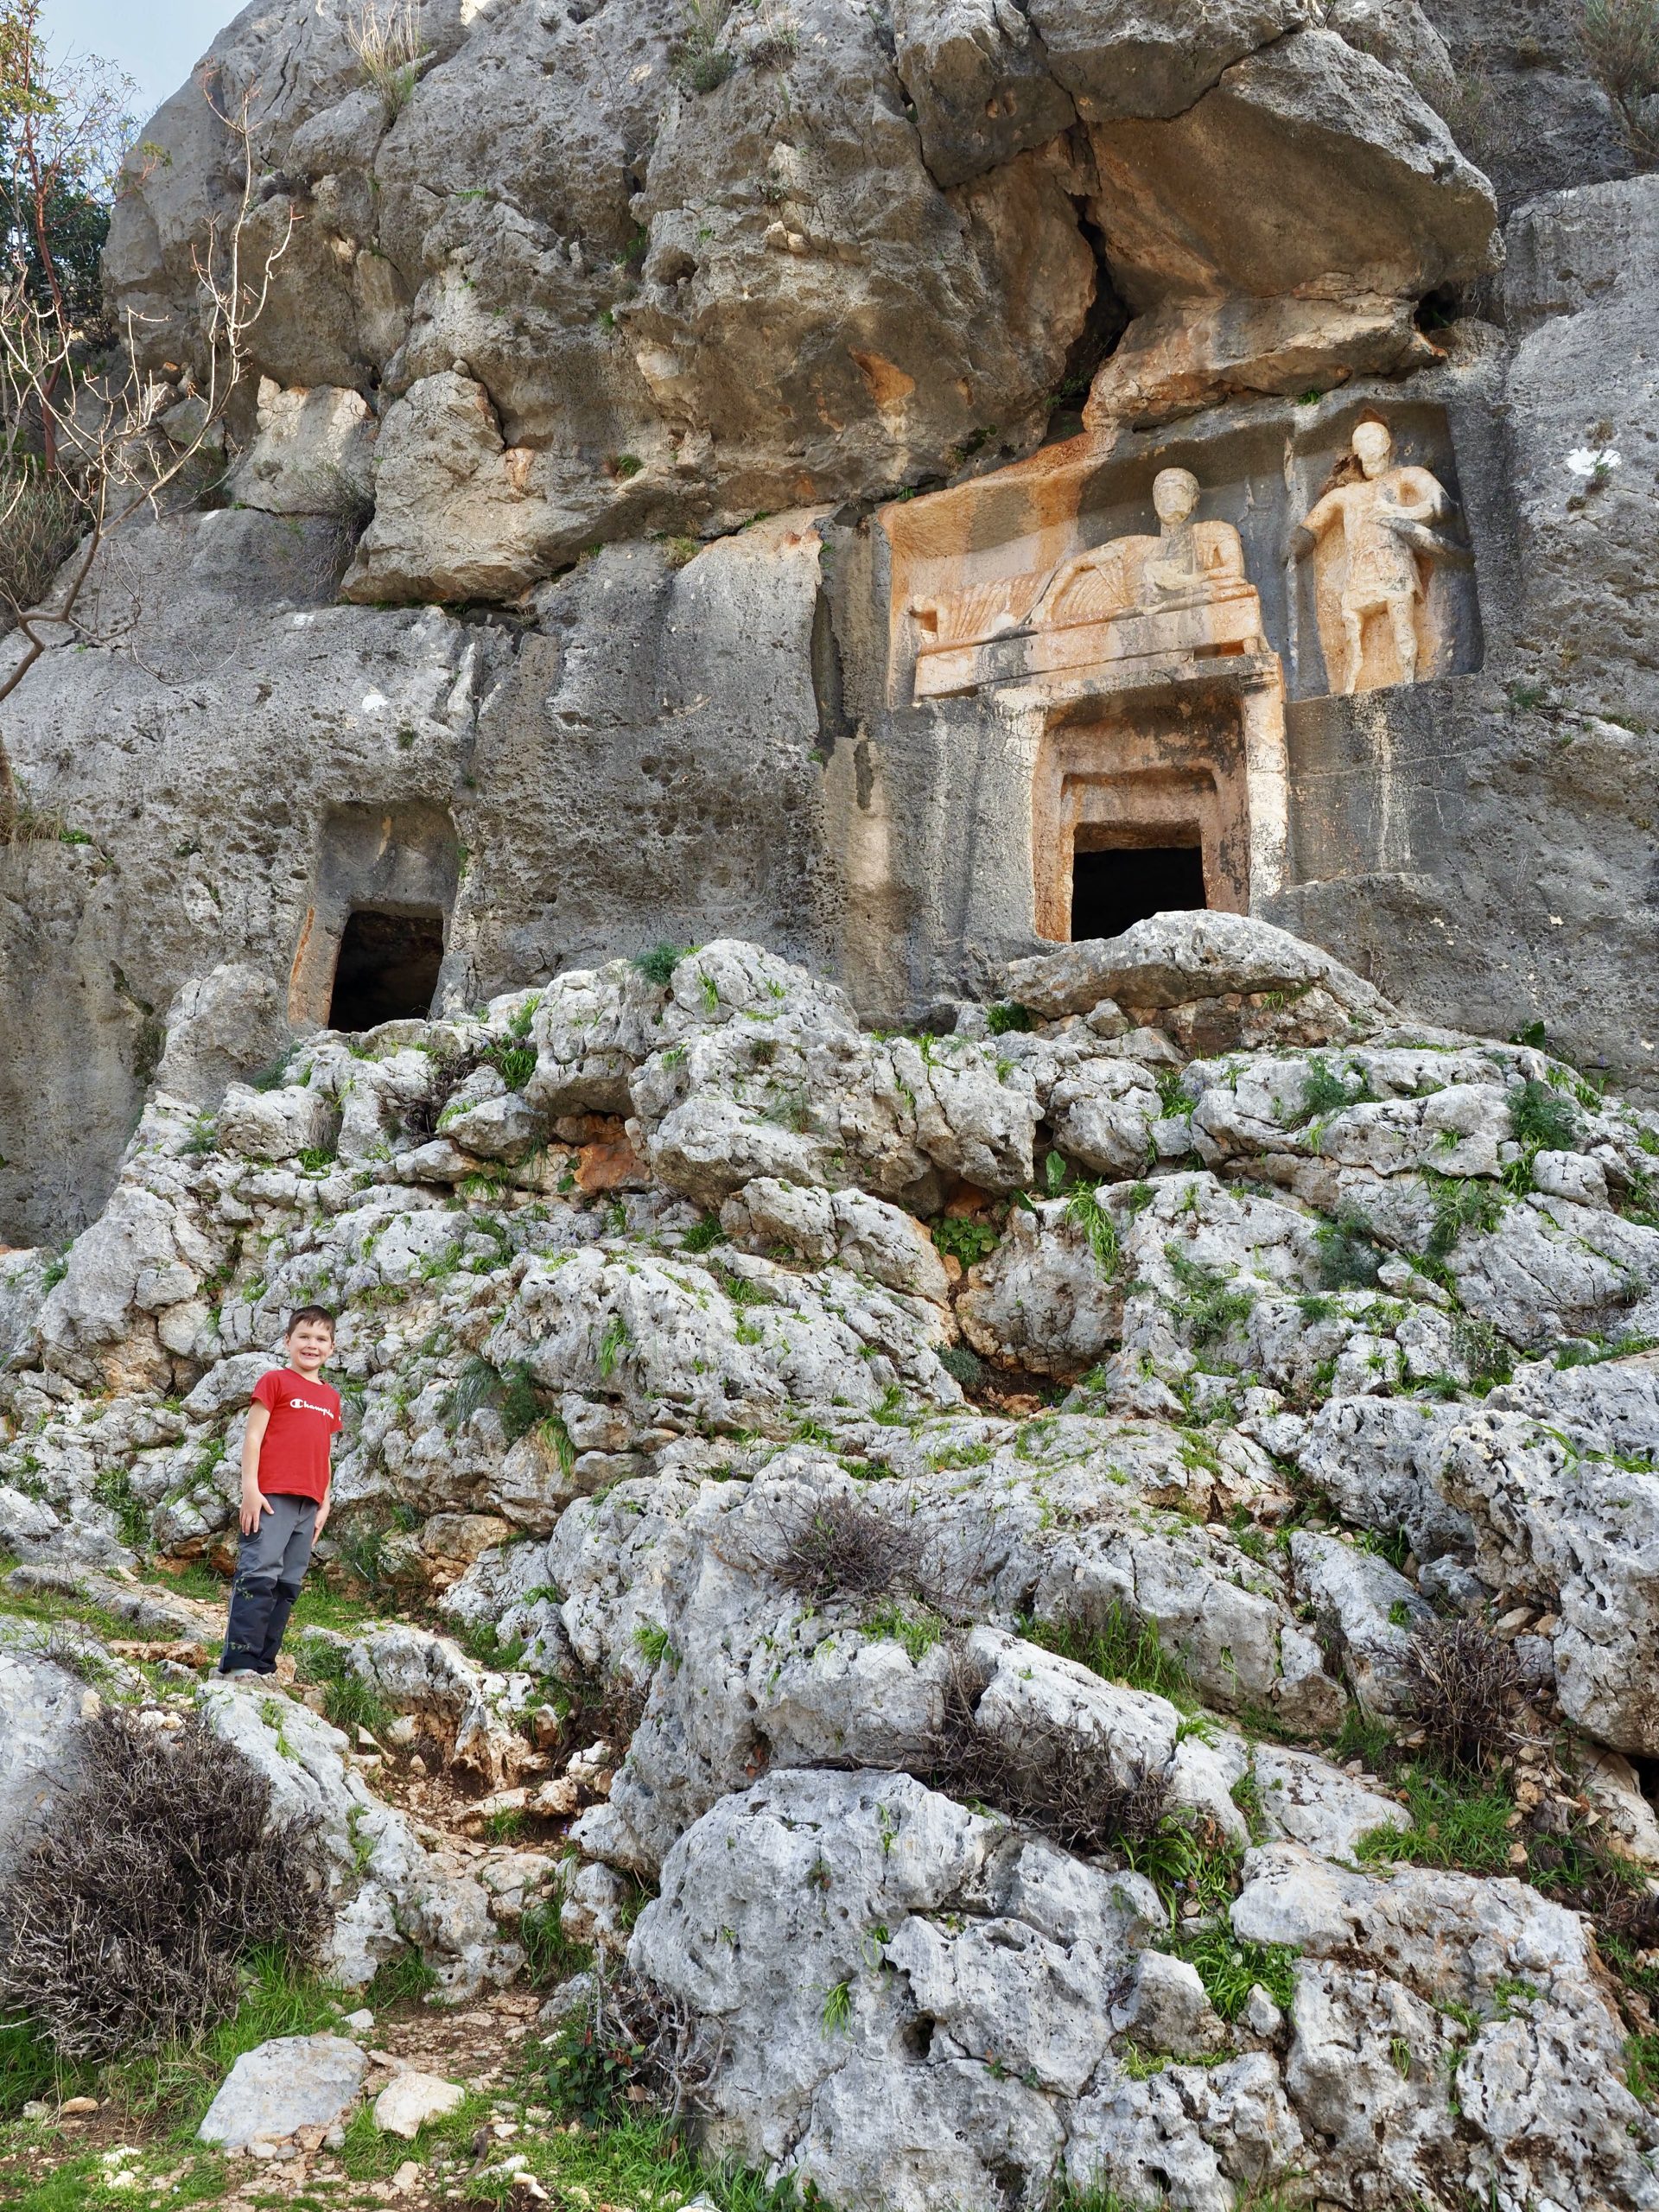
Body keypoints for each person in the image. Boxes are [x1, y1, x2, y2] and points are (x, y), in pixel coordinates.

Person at [218, 1306, 342, 1677]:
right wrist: (250, 1489)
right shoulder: (274, 1381)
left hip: (310, 1504)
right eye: (304, 1336)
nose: (311, 1345)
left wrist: (325, 1499)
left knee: (288, 1583)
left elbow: (325, 1452)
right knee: (259, 1574)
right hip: (271, 1497)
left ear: (332, 1348)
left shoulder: (331, 1398)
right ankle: (238, 1663)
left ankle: (264, 1665)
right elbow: (253, 1438)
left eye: (321, 1339)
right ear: (288, 1341)